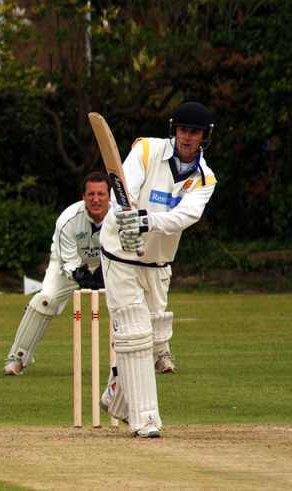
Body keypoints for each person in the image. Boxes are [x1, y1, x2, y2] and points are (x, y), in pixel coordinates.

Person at [98, 102, 216, 438]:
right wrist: (126, 218)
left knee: (156, 336)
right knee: (134, 330)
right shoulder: (147, 149)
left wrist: (146, 222)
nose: (187, 137)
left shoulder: (204, 179)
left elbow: (185, 216)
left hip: (158, 261)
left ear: (204, 137)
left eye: (194, 132)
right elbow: (126, 191)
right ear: (174, 130)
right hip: (119, 255)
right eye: (183, 130)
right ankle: (145, 419)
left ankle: (116, 394)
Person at [2, 172, 110, 376]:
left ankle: (159, 356)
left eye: (101, 194)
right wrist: (79, 274)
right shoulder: (68, 219)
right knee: (44, 302)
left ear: (109, 196)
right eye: (91, 194)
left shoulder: (119, 217)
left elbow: (125, 250)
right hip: (68, 263)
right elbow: (67, 260)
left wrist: (106, 270)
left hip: (107, 263)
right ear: (83, 195)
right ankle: (16, 358)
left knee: (135, 300)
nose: (96, 199)